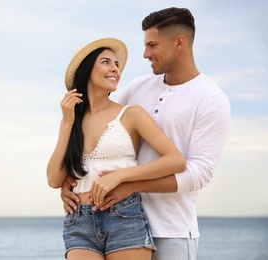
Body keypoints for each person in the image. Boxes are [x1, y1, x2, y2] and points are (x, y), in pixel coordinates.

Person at [60, 7, 231, 260]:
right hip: (117, 216)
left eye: (152, 45)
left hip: (171, 230)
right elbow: (106, 137)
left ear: (179, 42)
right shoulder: (137, 87)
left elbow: (199, 174)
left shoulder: (211, 99)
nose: (145, 54)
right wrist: (73, 181)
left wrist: (128, 185)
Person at [47, 37, 186, 260]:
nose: (115, 69)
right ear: (86, 69)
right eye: (106, 62)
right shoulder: (71, 120)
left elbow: (175, 160)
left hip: (124, 217)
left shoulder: (131, 114)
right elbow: (54, 179)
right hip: (79, 222)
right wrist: (66, 123)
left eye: (117, 65)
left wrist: (120, 177)